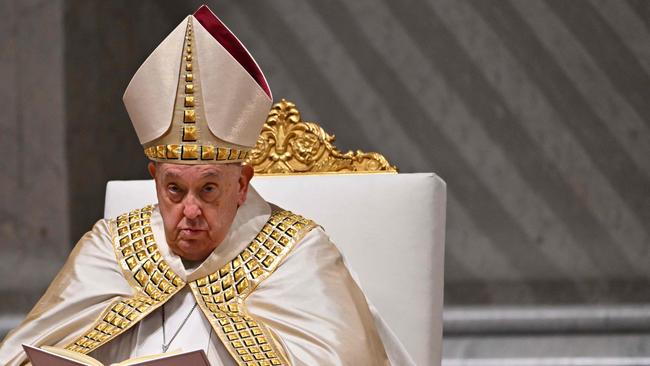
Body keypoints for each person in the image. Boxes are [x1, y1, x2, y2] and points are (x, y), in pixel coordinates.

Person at [0, 5, 407, 366]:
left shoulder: (299, 255)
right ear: (154, 180)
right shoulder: (112, 246)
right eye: (174, 190)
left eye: (209, 190)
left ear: (242, 184)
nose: (190, 211)